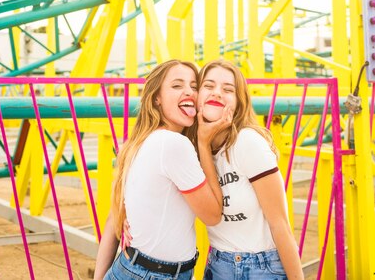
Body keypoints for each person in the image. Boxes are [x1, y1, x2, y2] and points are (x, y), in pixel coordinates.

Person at [93, 59, 232, 280]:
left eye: (194, 87)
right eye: (177, 86)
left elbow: (113, 219)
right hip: (153, 275)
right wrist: (204, 144)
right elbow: (213, 215)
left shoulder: (140, 142)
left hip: (132, 268)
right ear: (156, 98)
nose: (189, 92)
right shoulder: (173, 144)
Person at [198, 59, 304, 280]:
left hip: (259, 267)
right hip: (217, 264)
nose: (217, 93)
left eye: (228, 89)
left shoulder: (247, 142)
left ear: (238, 103)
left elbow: (279, 223)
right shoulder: (193, 147)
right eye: (208, 86)